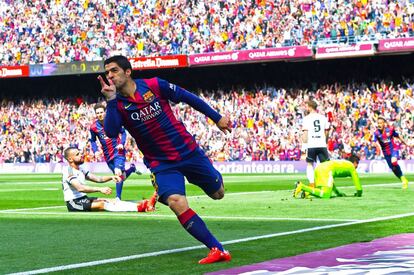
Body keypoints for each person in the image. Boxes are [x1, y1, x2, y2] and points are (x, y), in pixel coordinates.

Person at [98, 55, 232, 264]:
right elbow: (111, 131)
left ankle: (212, 175)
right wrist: (111, 102)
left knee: (218, 194)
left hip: (188, 151)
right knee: (176, 202)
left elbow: (188, 97)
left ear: (128, 71)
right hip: (161, 163)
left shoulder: (154, 85)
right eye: (107, 72)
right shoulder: (117, 103)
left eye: (114, 70)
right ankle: (217, 248)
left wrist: (216, 118)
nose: (110, 76)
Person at [62, 146, 157, 212]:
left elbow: (98, 179)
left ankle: (144, 205)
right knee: (102, 204)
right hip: (74, 203)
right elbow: (80, 188)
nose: (81, 155)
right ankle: (140, 208)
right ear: (70, 159)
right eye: (78, 154)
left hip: (83, 198)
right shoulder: (69, 171)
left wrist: (111, 177)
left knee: (112, 200)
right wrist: (100, 189)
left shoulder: (80, 169)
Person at [89, 102, 139, 200]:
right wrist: (95, 150)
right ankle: (132, 169)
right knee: (121, 177)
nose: (99, 114)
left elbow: (123, 132)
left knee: (117, 173)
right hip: (107, 155)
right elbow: (92, 140)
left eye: (101, 112)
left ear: (105, 112)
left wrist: (121, 143)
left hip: (118, 152)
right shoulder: (93, 127)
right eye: (97, 113)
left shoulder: (112, 122)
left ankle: (118, 198)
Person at [293, 154, 362, 199]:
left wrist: (338, 193)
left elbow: (331, 182)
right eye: (357, 164)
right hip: (325, 170)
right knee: (326, 195)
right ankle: (302, 186)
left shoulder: (342, 164)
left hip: (319, 168)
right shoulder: (351, 166)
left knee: (322, 192)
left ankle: (306, 192)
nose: (357, 167)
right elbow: (358, 184)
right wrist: (359, 193)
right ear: (355, 162)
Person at [373, 116, 409, 189]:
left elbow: (398, 136)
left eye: (380, 123)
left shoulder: (390, 130)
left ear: (384, 124)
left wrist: (405, 143)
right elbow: (374, 141)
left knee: (394, 162)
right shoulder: (376, 133)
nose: (379, 124)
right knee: (393, 168)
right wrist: (375, 145)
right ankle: (403, 180)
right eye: (378, 123)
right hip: (386, 153)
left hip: (394, 149)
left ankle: (403, 179)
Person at [301, 100, 330, 187]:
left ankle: (312, 183)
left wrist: (304, 147)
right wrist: (325, 142)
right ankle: (326, 183)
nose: (306, 108)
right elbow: (327, 132)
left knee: (310, 164)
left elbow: (305, 134)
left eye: (307, 106)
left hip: (311, 144)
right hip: (321, 144)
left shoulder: (306, 118)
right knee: (325, 165)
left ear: (310, 107)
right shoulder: (323, 118)